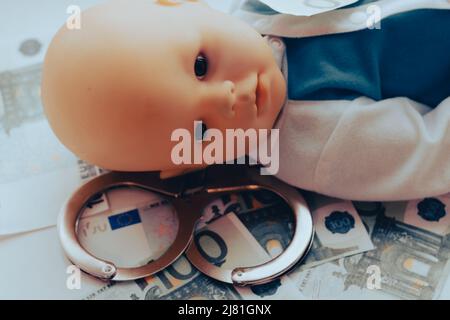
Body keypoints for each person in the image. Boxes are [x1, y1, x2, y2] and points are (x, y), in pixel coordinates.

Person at [42, 0, 450, 201]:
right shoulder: (317, 146)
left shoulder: (254, 10)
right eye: (201, 131)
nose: (226, 98)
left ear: (184, 6)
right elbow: (435, 152)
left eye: (201, 66)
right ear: (190, 164)